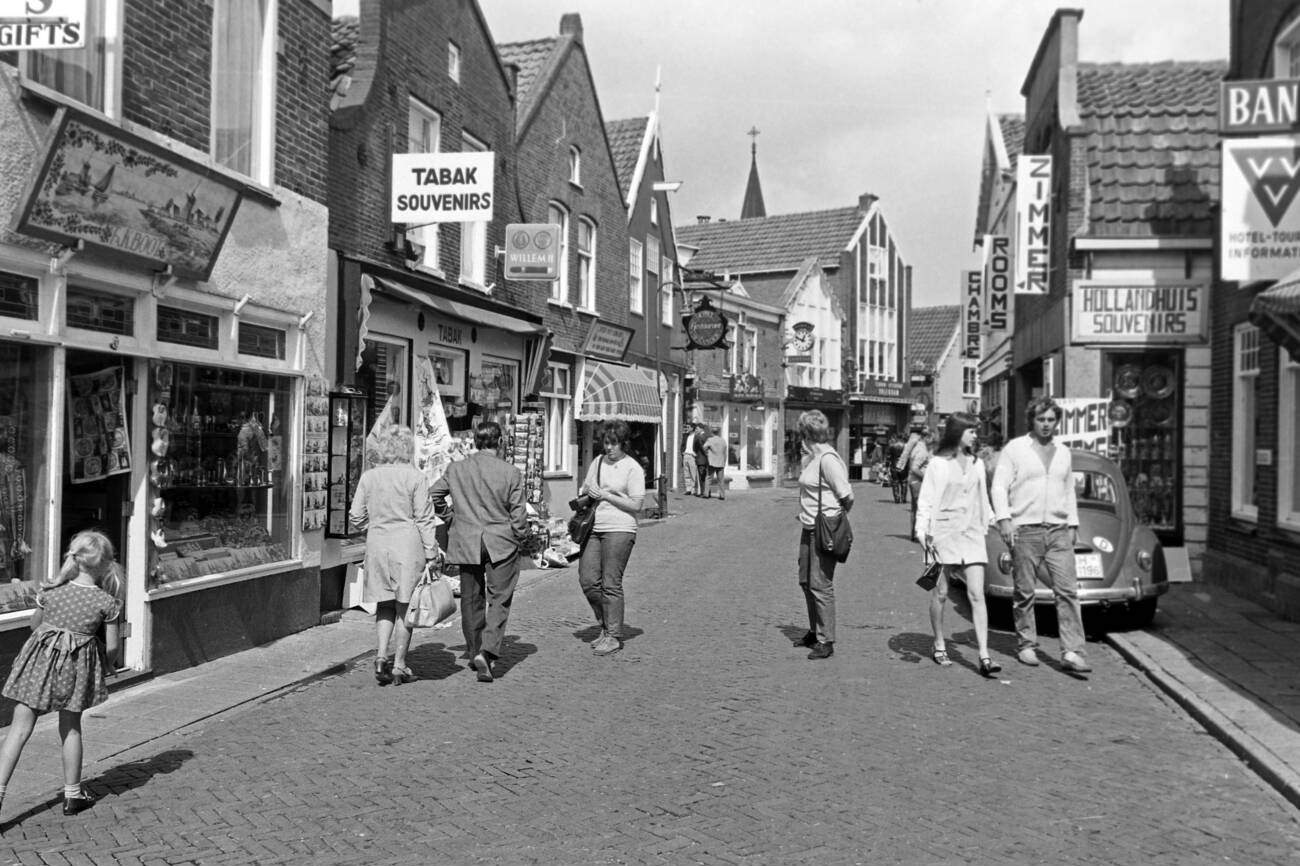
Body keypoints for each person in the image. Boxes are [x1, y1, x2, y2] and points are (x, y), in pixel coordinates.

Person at [0, 530, 123, 816]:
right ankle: (73, 795)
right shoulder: (107, 602)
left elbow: (34, 626)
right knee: (70, 727)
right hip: (76, 671)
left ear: (74, 558)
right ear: (106, 564)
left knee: (18, 731)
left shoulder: (51, 591)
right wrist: (108, 663)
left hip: (37, 667)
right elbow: (113, 648)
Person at [990, 396, 1092, 674]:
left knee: (1068, 591)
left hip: (1058, 530)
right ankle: (1026, 644)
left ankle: (1072, 651)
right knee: (1025, 591)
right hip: (1025, 529)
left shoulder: (1063, 452)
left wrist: (1072, 522)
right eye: (1041, 419)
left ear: (1057, 422)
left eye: (1051, 420)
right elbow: (999, 486)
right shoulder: (1015, 449)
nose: (1046, 425)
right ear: (1032, 421)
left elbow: (1068, 488)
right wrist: (1004, 519)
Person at [431, 421, 527, 683]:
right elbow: (518, 516)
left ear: (474, 442)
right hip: (500, 543)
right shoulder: (510, 472)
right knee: (499, 598)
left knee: (471, 599)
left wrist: (451, 518)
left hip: (466, 541)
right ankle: (487, 650)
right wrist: (520, 537)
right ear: (500, 442)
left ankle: (474, 651)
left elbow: (434, 495)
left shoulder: (457, 469)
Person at [349, 425, 441, 686]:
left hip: (378, 545)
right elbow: (424, 519)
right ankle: (399, 664)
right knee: (405, 606)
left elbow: (355, 517)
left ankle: (380, 657)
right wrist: (431, 552)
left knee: (384, 603)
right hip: (407, 546)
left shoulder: (369, 477)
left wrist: (375, 527)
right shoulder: (416, 477)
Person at [914, 412, 1001, 678]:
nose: (976, 435)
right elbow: (926, 500)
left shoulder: (976, 464)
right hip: (943, 533)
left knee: (976, 593)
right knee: (940, 593)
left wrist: (996, 522)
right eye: (971, 431)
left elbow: (983, 499)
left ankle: (984, 655)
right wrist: (922, 531)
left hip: (972, 533)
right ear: (958, 432)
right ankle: (939, 642)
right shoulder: (938, 465)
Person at [577, 420, 646, 656]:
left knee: (610, 583)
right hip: (594, 526)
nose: (609, 448)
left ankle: (613, 635)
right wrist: (587, 493)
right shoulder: (597, 462)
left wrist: (607, 495)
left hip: (620, 528)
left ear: (623, 444)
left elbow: (637, 504)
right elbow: (585, 488)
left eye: (614, 443)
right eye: (606, 443)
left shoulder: (632, 468)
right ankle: (605, 623)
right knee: (588, 580)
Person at [792, 410, 853, 660]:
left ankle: (826, 640)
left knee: (821, 584)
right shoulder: (813, 458)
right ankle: (815, 631)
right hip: (808, 527)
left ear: (806, 434)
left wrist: (832, 519)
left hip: (823, 529)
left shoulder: (828, 459)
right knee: (806, 582)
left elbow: (847, 496)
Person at [703, 425, 727, 500]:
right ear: (718, 432)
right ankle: (722, 495)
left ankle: (706, 494)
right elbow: (725, 452)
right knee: (721, 480)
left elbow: (704, 447)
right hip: (721, 462)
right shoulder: (723, 440)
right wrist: (724, 462)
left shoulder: (710, 440)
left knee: (708, 478)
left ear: (711, 432)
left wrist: (707, 453)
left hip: (712, 462)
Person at [681, 424, 700, 496]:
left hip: (692, 456)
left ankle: (693, 490)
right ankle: (688, 489)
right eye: (686, 427)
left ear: (692, 428)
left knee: (693, 474)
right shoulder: (685, 436)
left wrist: (696, 454)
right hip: (685, 455)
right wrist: (682, 452)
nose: (687, 428)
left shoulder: (696, 436)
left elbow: (699, 446)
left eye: (688, 427)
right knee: (686, 474)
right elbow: (682, 445)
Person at [693, 423, 710, 495]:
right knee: (707, 477)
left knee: (702, 477)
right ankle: (708, 492)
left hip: (701, 459)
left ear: (701, 429)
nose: (696, 430)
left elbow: (696, 448)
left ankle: (703, 492)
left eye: (697, 428)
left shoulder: (698, 437)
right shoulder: (708, 436)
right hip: (708, 460)